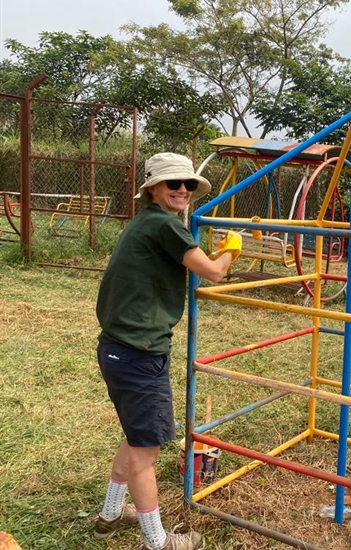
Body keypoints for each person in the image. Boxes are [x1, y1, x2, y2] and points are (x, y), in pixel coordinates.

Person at [93, 153, 242, 550]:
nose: (182, 190)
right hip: (138, 351)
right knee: (146, 452)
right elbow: (212, 271)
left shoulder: (147, 223)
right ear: (153, 189)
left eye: (188, 184)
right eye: (173, 183)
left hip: (119, 348)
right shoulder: (163, 223)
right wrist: (232, 248)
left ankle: (111, 513)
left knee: (137, 435)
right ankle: (157, 542)